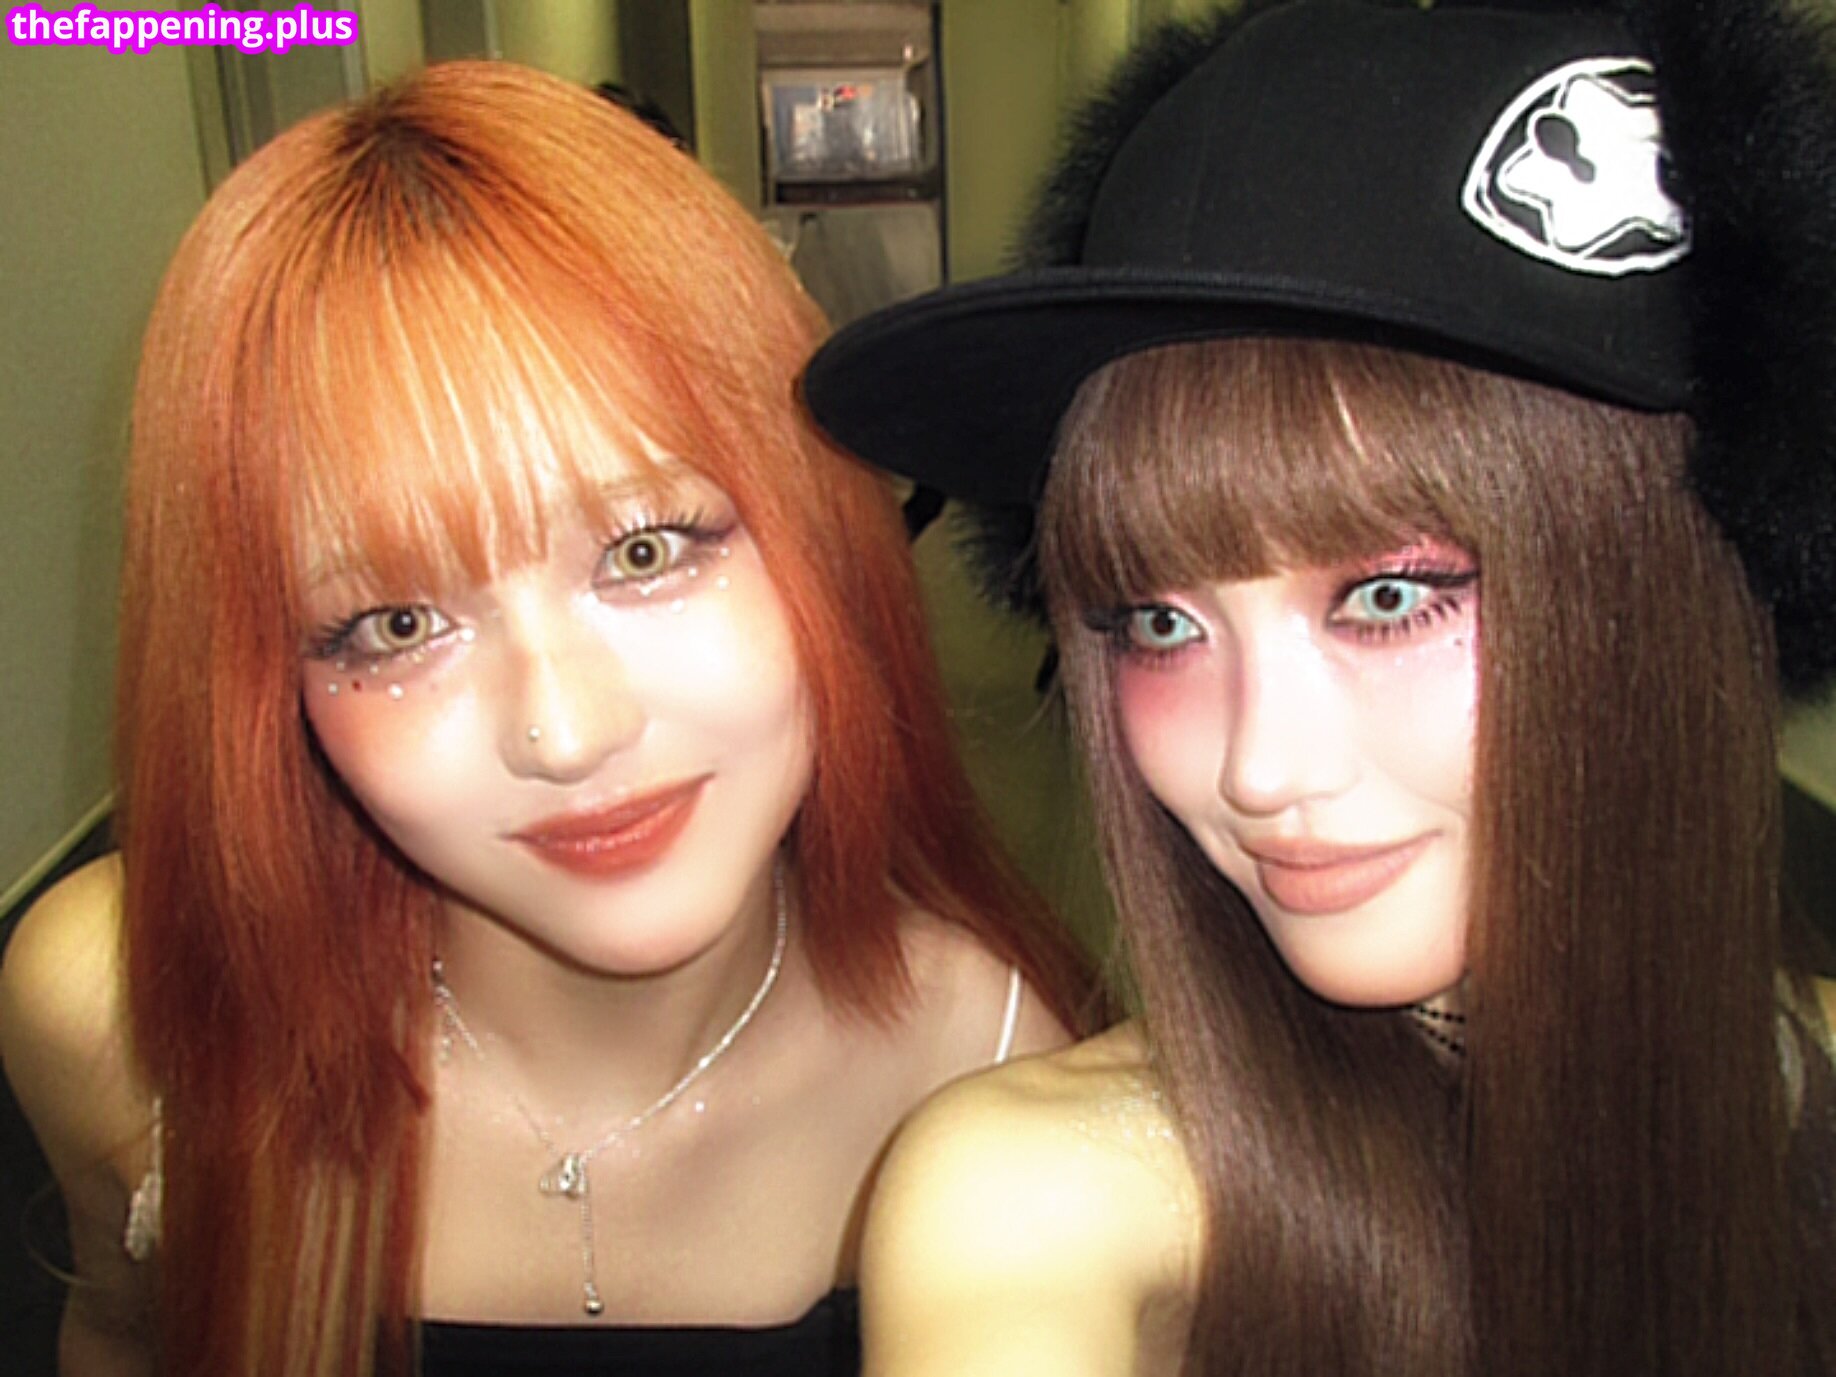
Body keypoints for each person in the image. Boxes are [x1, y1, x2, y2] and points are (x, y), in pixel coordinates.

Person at [0, 60, 1090, 1377]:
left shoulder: (996, 1065)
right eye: (396, 624)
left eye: (645, 552)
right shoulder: (124, 1008)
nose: (566, 733)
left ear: (826, 533)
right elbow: (118, 1335)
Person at [801, 0, 1836, 1373]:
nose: (1259, 768)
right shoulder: (1041, 1202)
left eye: (1390, 598)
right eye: (1159, 622)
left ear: (1665, 581)